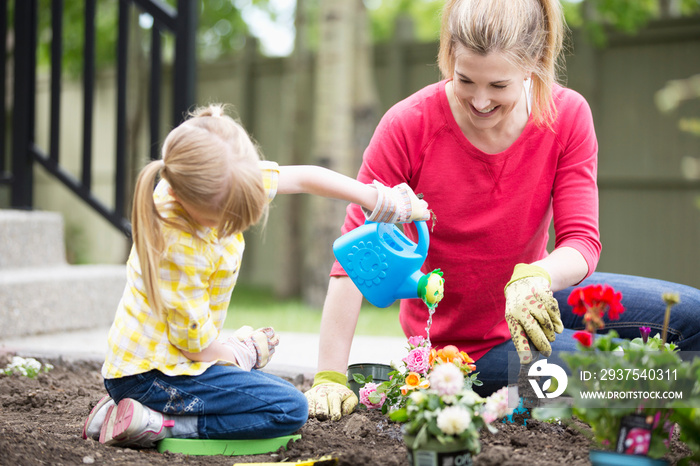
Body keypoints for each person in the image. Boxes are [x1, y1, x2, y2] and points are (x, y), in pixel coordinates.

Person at [304, 0, 700, 421]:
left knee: (692, 318)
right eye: (465, 80)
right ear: (448, 56)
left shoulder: (566, 116)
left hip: (537, 296)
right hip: (470, 351)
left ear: (534, 64)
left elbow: (581, 242)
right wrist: (329, 375)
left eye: (498, 86)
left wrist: (538, 277)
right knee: (649, 380)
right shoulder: (409, 125)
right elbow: (353, 262)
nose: (479, 100)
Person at [81, 103, 430, 447]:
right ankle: (158, 422)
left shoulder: (218, 177)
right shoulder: (177, 246)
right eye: (224, 215)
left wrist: (384, 202)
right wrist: (245, 351)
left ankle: (123, 410)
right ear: (189, 199)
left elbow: (307, 177)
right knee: (289, 409)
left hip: (165, 365)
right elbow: (198, 348)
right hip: (156, 375)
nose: (236, 218)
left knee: (273, 396)